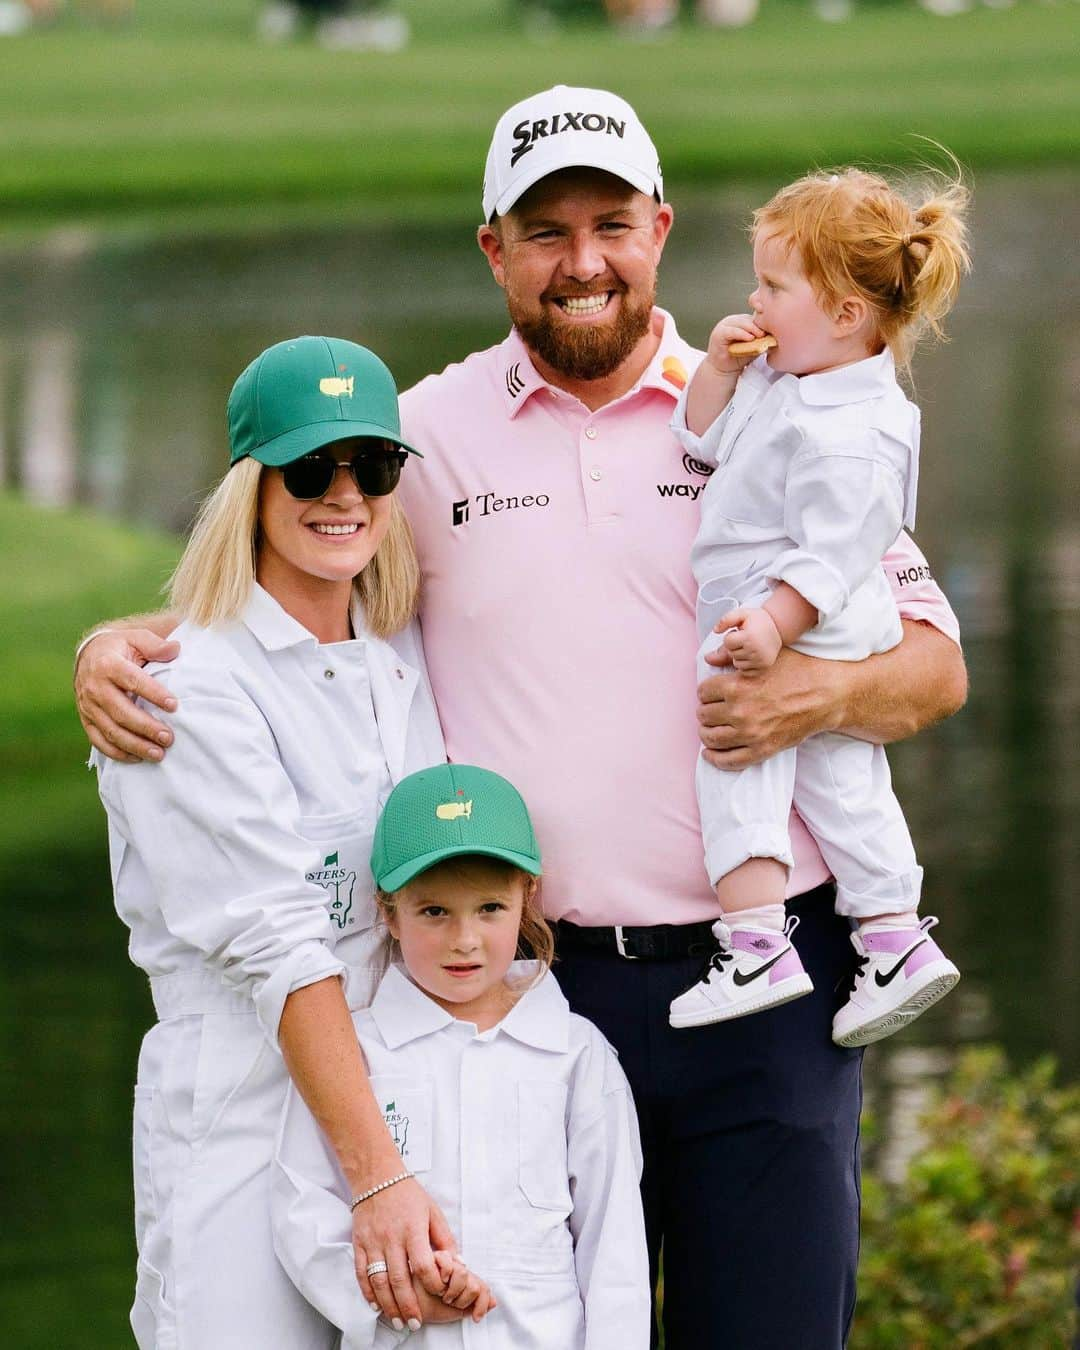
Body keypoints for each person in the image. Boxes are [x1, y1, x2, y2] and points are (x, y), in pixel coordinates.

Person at [75, 87, 968, 1348]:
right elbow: (294, 585)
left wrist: (815, 693)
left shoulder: (777, 410)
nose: (584, 261)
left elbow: (934, 668)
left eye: (612, 223)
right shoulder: (419, 442)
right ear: (494, 249)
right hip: (521, 1002)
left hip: (765, 987)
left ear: (659, 228)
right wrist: (115, 643)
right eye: (545, 232)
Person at [90, 335, 482, 1346]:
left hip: (395, 1109)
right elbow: (278, 949)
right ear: (251, 487)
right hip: (244, 1124)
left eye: (374, 465)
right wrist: (380, 1180)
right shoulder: (185, 690)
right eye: (311, 467)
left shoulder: (401, 654)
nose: (343, 493)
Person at [667, 167, 967, 1045]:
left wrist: (769, 629)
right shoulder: (794, 376)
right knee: (840, 780)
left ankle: (756, 944)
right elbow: (701, 441)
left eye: (773, 285)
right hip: (778, 607)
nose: (753, 299)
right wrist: (720, 373)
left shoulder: (855, 430)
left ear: (844, 313)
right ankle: (893, 937)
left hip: (792, 615)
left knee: (734, 745)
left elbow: (833, 558)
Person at [272, 763, 650, 1348]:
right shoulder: (356, 1054)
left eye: (489, 909)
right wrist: (383, 1297)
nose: (465, 939)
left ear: (526, 899)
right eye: (434, 912)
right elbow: (303, 1208)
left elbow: (614, 1245)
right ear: (389, 912)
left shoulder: (577, 1055)